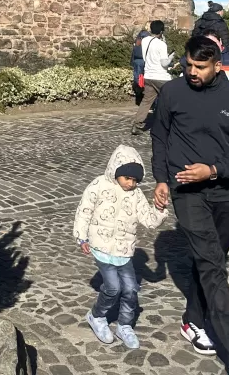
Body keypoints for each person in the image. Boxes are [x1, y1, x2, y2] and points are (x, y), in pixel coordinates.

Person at [151, 36, 229, 375]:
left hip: (226, 192)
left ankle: (192, 319)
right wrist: (161, 179)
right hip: (187, 192)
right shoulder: (172, 93)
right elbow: (160, 136)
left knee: (212, 259)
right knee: (212, 265)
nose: (191, 71)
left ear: (216, 65)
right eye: (188, 64)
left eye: (200, 67)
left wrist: (213, 170)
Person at [74, 144, 167, 350]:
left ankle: (124, 325)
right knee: (113, 287)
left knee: (131, 289)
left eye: (135, 180)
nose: (131, 184)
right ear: (116, 172)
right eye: (127, 178)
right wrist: (82, 237)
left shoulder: (136, 195)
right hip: (101, 246)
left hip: (124, 251)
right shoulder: (98, 185)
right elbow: (84, 211)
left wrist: (159, 209)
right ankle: (97, 316)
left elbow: (149, 219)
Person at [180, 32, 229, 102]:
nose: (212, 47)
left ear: (220, 41)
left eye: (214, 43)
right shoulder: (196, 61)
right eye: (208, 44)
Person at [131, 20, 173, 135]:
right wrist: (171, 58)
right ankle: (172, 124)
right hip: (161, 77)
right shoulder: (161, 44)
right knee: (171, 100)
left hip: (148, 76)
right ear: (161, 31)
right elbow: (164, 63)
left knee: (146, 101)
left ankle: (137, 124)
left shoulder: (145, 41)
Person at [130, 27, 152, 106]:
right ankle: (144, 96)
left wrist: (132, 62)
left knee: (138, 79)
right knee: (145, 80)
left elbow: (134, 53)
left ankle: (139, 95)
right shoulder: (149, 41)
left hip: (138, 62)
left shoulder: (138, 41)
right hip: (144, 62)